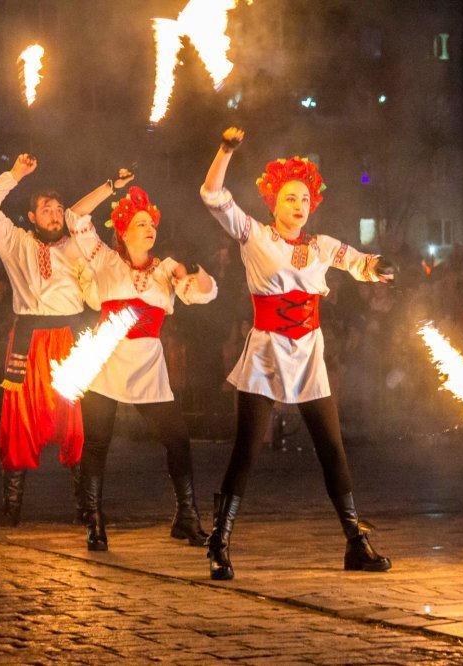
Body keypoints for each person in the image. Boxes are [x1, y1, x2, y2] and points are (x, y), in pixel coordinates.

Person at [199, 127, 393, 580]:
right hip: (266, 353)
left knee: (332, 449)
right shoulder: (254, 235)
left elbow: (359, 263)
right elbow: (212, 196)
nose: (299, 204)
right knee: (246, 451)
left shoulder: (322, 245)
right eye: (289, 197)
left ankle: (355, 542)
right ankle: (219, 542)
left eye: (305, 198)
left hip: (308, 354)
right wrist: (225, 150)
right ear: (273, 202)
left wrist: (380, 267)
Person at [65, 174, 218, 551]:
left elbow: (204, 295)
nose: (150, 229)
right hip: (105, 360)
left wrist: (193, 272)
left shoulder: (165, 268)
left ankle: (187, 516)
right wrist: (109, 187)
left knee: (178, 441)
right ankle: (94, 521)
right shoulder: (103, 258)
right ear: (123, 231)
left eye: (151, 223)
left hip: (148, 365)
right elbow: (75, 217)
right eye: (140, 224)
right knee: (97, 442)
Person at [0, 153, 88, 527]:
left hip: (70, 340)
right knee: (21, 420)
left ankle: (86, 506)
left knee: (77, 421)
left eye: (58, 210)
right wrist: (15, 174)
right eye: (46, 210)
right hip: (29, 341)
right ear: (32, 217)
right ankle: (11, 507)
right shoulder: (15, 242)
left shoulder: (79, 245)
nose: (54, 215)